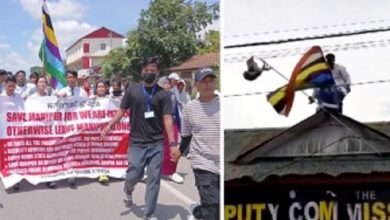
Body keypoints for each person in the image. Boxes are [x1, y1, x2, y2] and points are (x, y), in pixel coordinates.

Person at [101, 57, 177, 220]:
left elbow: (168, 118)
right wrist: (109, 126)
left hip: (156, 144)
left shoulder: (164, 94)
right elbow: (121, 110)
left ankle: (148, 214)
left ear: (157, 73)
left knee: (154, 180)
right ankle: (128, 189)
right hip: (136, 143)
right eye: (147, 70)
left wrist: (172, 143)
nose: (149, 73)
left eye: (153, 71)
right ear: (142, 71)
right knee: (134, 174)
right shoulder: (132, 91)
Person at [171, 67, 220, 220]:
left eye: (211, 80)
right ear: (196, 85)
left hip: (223, 162)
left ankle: (198, 211)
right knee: (213, 206)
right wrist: (179, 152)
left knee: (219, 207)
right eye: (203, 81)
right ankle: (204, 211)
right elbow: (186, 136)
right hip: (203, 162)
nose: (208, 85)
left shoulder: (225, 104)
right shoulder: (190, 109)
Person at [55, 70, 87, 187]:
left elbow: (88, 107)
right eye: (69, 77)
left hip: (78, 125)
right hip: (65, 125)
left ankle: (74, 171)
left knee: (75, 148)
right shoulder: (62, 91)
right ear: (66, 79)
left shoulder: (82, 92)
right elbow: (54, 105)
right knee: (67, 148)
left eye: (73, 77)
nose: (71, 79)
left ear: (76, 78)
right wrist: (58, 97)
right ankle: (69, 171)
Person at [1, 75, 22, 191]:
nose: (10, 89)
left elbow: (22, 112)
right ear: (5, 85)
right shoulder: (1, 98)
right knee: (5, 156)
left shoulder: (18, 97)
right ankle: (7, 176)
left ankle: (15, 180)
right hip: (3, 132)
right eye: (9, 86)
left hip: (15, 132)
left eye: (13, 87)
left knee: (15, 155)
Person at [90, 79, 111, 185]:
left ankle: (106, 171)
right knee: (97, 150)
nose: (101, 88)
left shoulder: (110, 100)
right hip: (95, 129)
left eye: (103, 86)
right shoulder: (91, 99)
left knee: (106, 150)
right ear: (96, 89)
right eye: (99, 87)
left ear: (106, 88)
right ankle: (99, 171)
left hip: (107, 129)